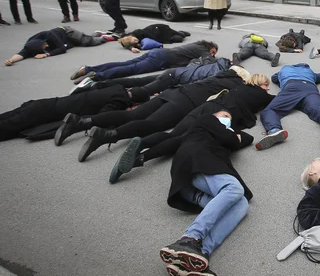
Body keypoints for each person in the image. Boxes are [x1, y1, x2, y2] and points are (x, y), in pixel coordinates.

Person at [55, 68, 247, 162]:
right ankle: (107, 135)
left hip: (174, 92)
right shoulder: (235, 86)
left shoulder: (218, 76)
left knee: (134, 115)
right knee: (151, 124)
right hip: (184, 103)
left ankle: (81, 121)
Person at [109, 74, 273, 183]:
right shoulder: (261, 94)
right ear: (262, 84)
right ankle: (139, 159)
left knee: (175, 135)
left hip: (205, 107)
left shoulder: (239, 87)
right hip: (221, 116)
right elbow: (278, 99)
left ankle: (141, 144)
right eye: (267, 86)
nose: (268, 89)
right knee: (183, 140)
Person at [159, 111, 253, 276]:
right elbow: (234, 140)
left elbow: (247, 138)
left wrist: (232, 132)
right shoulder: (206, 120)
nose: (228, 119)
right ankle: (190, 238)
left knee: (241, 204)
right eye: (225, 115)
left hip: (199, 186)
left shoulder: (220, 134)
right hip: (195, 165)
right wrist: (232, 134)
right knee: (233, 188)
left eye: (230, 119)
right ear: (215, 115)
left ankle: (199, 254)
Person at [0, 85, 146, 142]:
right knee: (7, 128)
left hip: (44, 104)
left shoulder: (116, 89)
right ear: (135, 103)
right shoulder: (120, 100)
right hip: (44, 113)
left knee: (8, 117)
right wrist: (124, 111)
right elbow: (103, 117)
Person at [255, 63, 320, 151]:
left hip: (292, 86)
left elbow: (274, 78)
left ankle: (274, 130)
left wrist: (281, 80)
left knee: (271, 110)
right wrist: (311, 75)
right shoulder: (309, 71)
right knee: (316, 108)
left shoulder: (284, 70)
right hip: (310, 88)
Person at [73, 56, 232, 97]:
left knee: (138, 81)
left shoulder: (214, 65)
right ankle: (94, 88)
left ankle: (100, 83)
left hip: (173, 74)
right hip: (172, 78)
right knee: (141, 91)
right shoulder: (216, 74)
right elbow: (195, 84)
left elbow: (192, 70)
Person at [68, 40, 218, 83]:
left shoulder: (197, 46)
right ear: (210, 47)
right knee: (132, 69)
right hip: (162, 58)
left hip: (159, 52)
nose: (212, 54)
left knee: (125, 63)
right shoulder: (202, 49)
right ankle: (96, 76)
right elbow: (209, 61)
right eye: (213, 52)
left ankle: (88, 68)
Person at [4, 26, 113, 66]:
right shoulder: (30, 46)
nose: (46, 45)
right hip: (67, 42)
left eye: (45, 44)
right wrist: (11, 60)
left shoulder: (48, 35)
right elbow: (21, 54)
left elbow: (62, 49)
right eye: (44, 46)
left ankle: (106, 37)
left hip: (67, 32)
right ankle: (99, 33)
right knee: (84, 41)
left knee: (89, 42)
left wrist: (46, 54)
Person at [117, 24, 191, 53]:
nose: (136, 41)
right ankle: (180, 34)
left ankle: (181, 32)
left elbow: (152, 37)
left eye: (134, 40)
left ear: (131, 37)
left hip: (159, 29)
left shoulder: (138, 32)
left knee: (181, 36)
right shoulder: (133, 42)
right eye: (134, 43)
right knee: (179, 39)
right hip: (162, 38)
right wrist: (131, 48)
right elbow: (124, 44)